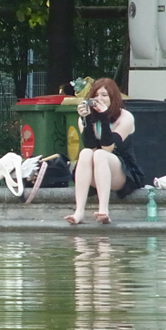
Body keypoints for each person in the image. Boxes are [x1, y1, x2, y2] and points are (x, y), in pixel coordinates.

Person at [64, 78, 145, 225]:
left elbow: (108, 148)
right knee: (86, 153)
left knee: (101, 154)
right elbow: (91, 148)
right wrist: (88, 119)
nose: (99, 99)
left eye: (104, 95)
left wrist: (105, 117)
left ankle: (103, 210)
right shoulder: (85, 119)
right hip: (96, 170)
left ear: (113, 98)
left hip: (122, 171)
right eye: (96, 96)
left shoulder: (125, 117)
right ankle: (79, 212)